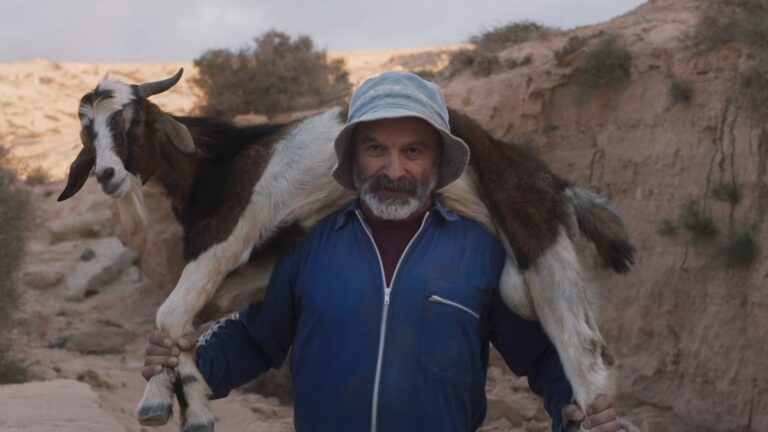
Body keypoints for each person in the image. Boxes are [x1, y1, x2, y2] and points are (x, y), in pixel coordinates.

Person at [143, 72, 622, 431]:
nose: (394, 170)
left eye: (413, 151)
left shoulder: (481, 251)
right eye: (376, 149)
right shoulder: (307, 247)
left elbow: (540, 358)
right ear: (352, 158)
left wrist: (577, 413)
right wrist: (185, 364)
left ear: (438, 161)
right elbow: (254, 339)